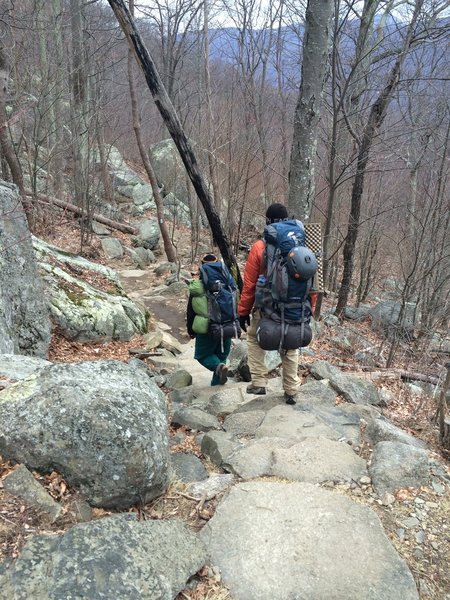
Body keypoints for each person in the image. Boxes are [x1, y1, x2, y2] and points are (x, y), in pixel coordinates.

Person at [237, 203, 317, 405]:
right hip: (296, 307)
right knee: (290, 346)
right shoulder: (303, 248)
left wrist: (243, 311)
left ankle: (259, 382)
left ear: (268, 222)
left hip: (266, 308)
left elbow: (250, 285)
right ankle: (291, 390)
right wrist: (310, 308)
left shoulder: (259, 247)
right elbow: (312, 283)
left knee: (254, 339)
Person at [186, 253, 231, 386]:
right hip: (226, 326)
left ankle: (219, 368)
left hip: (207, 329)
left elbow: (191, 311)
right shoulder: (227, 282)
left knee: (202, 355)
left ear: (202, 267)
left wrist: (191, 330)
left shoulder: (198, 287)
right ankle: (217, 384)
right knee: (221, 356)